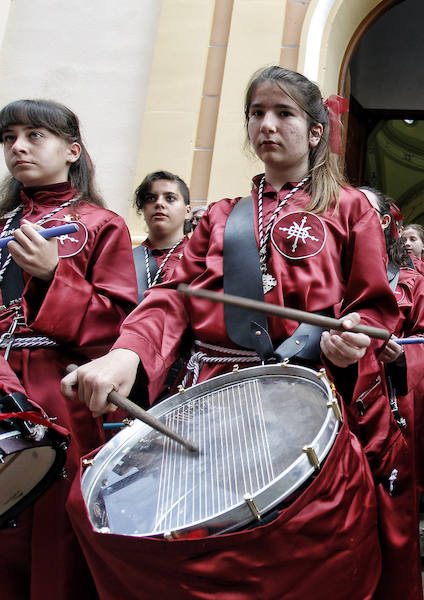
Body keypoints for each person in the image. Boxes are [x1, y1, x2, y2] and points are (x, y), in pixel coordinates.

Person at [62, 66, 399, 598]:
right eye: (257, 113)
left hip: (305, 393)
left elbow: (374, 306)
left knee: (303, 557)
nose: (266, 124)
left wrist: (353, 336)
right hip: (212, 398)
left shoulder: (349, 207)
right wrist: (127, 354)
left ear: (315, 132)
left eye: (283, 113)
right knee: (207, 542)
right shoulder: (219, 216)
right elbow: (169, 297)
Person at [0, 98, 137, 599]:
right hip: (1, 381)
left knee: (52, 536)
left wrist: (54, 275)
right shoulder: (1, 222)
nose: (18, 146)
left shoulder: (101, 224)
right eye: (9, 136)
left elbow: (118, 327)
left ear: (72, 150)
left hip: (59, 394)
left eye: (35, 135)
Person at [360, 186, 424, 600]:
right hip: (336, 404)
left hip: (392, 400)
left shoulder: (410, 281)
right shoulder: (322, 272)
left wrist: (398, 356)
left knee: (390, 516)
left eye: (366, 211)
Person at [133, 170, 191, 301]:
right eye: (151, 198)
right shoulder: (126, 260)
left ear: (187, 211)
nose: (159, 203)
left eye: (170, 198)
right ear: (143, 208)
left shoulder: (202, 260)